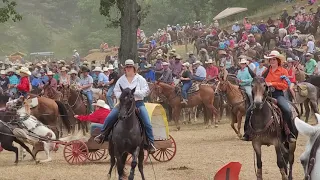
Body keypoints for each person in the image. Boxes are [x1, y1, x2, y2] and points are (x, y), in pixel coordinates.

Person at [94, 59, 156, 154]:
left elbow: (146, 91)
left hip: (138, 103)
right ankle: (102, 135)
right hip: (123, 104)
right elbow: (116, 91)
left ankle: (151, 143)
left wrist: (134, 93)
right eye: (126, 67)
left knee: (147, 122)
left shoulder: (140, 79)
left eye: (130, 67)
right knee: (110, 117)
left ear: (134, 68)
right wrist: (124, 96)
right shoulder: (121, 80)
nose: (128, 69)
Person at [243, 50, 296, 142]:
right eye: (270, 59)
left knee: (287, 110)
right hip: (266, 95)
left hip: (278, 95)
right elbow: (259, 81)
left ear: (278, 60)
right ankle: (247, 133)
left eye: (274, 59)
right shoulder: (265, 71)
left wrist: (272, 83)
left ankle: (290, 133)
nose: (272, 61)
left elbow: (285, 85)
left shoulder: (283, 71)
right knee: (249, 110)